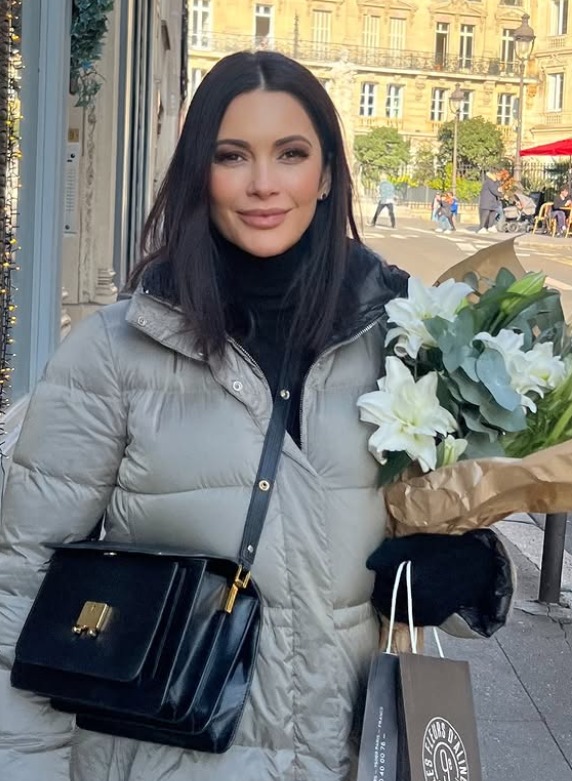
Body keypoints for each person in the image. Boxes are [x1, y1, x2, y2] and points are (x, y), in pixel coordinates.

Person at [0, 51, 512, 781]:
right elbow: (20, 584)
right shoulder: (116, 350)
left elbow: (445, 523)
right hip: (162, 760)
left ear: (326, 174)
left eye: (291, 154)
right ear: (198, 174)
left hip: (348, 753)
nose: (263, 183)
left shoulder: (406, 337)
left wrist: (471, 569)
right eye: (232, 155)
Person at [477, 169, 502, 234]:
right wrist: (502, 195)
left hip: (493, 202)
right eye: (497, 175)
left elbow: (498, 188)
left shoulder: (494, 182)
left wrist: (498, 181)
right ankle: (482, 228)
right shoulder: (489, 181)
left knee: (492, 214)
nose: (499, 176)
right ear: (493, 174)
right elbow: (494, 190)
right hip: (486, 202)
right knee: (485, 215)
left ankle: (490, 226)